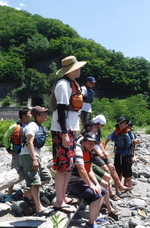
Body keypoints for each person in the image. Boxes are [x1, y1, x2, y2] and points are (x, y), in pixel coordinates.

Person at [51, 55, 86, 212]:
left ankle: (63, 196)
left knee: (68, 167)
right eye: (77, 67)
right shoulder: (63, 85)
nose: (79, 70)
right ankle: (59, 201)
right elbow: (61, 109)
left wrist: (73, 130)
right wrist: (64, 133)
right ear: (71, 70)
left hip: (70, 130)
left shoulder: (73, 83)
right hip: (62, 131)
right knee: (61, 167)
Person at [82, 118, 132, 199]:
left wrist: (104, 151)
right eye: (99, 126)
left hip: (100, 154)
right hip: (95, 155)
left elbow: (99, 142)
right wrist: (99, 153)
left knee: (112, 167)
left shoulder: (98, 131)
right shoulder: (86, 134)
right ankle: (111, 193)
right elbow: (91, 146)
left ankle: (119, 186)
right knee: (106, 169)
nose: (100, 127)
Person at [67, 132, 108, 228]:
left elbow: (89, 169)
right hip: (72, 183)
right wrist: (90, 185)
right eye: (89, 143)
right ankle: (90, 223)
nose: (91, 145)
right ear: (83, 141)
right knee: (96, 195)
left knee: (103, 190)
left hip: (80, 181)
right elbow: (81, 169)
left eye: (93, 144)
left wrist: (96, 184)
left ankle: (94, 217)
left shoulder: (88, 151)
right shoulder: (78, 150)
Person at [20, 106, 53, 216]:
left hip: (35, 155)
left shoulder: (39, 126)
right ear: (37, 116)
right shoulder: (32, 126)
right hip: (28, 155)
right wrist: (34, 159)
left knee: (47, 177)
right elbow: (29, 142)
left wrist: (39, 158)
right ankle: (39, 207)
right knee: (35, 181)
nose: (45, 116)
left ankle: (29, 194)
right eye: (43, 114)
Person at [104, 117, 140, 197]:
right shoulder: (115, 133)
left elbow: (133, 141)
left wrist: (135, 142)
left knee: (128, 173)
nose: (126, 124)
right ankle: (117, 190)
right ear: (119, 124)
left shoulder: (128, 131)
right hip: (119, 155)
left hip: (127, 154)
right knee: (118, 173)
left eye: (126, 123)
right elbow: (106, 140)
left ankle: (130, 190)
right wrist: (103, 151)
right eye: (124, 123)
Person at [3, 107, 32, 202]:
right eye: (29, 113)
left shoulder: (32, 125)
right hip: (19, 154)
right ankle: (10, 193)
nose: (31, 115)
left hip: (25, 153)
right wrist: (8, 149)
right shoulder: (15, 126)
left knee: (30, 172)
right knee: (14, 172)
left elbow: (6, 137)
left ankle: (30, 192)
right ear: (24, 116)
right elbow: (6, 137)